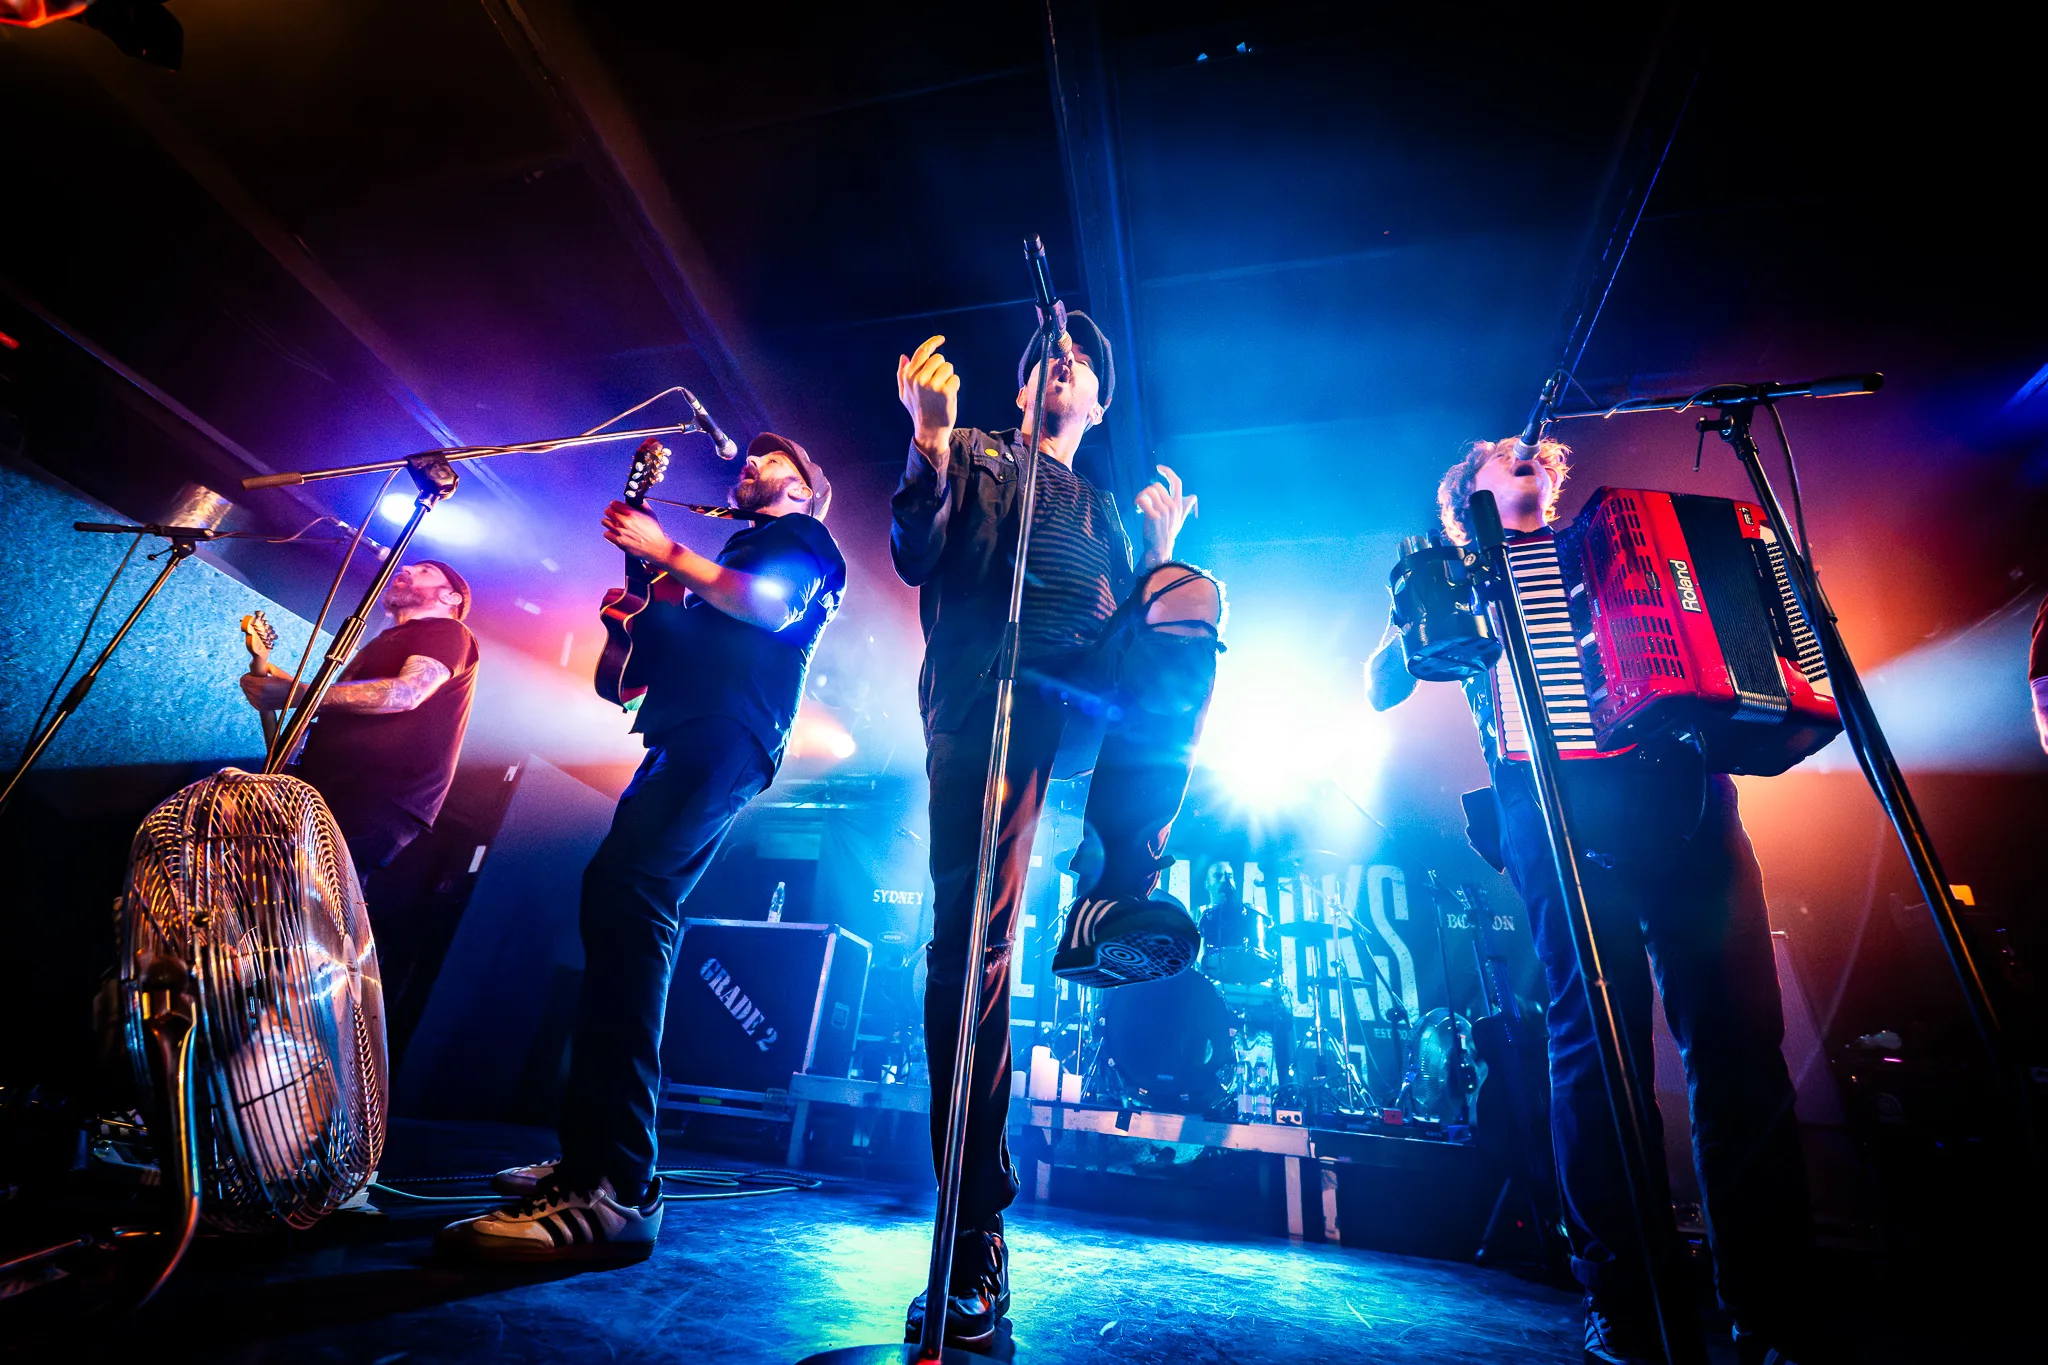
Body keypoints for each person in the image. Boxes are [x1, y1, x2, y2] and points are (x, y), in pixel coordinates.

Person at [1367, 437, 1817, 1365]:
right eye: (1495, 454)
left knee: (1740, 1039)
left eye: (1526, 448)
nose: (1519, 450)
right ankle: (1626, 1296)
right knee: (1596, 1046)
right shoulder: (1463, 576)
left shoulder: (1616, 541)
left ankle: (1773, 1306)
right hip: (1555, 808)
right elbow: (1381, 685)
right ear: (1464, 499)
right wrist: (1418, 603)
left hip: (1686, 797)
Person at [890, 326, 1224, 1347]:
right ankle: (973, 1230)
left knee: (1188, 592)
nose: (1061, 357)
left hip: (1082, 687)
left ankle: (1119, 881)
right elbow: (917, 552)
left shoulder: (1107, 511)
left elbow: (1145, 629)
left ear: (1098, 403)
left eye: (1078, 356)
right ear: (1025, 385)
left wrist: (1157, 557)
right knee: (972, 951)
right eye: (1045, 351)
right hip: (989, 695)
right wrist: (931, 442)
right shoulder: (979, 452)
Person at [439, 433, 845, 1262]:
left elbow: (770, 606)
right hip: (683, 735)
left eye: (774, 461)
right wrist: (638, 604)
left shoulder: (803, 541)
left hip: (727, 736)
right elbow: (636, 671)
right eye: (751, 458)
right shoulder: (727, 559)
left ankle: (616, 1181)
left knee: (632, 899)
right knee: (615, 901)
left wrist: (665, 551)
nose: (752, 464)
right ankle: (593, 1154)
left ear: (806, 490)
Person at [240, 558, 479, 876]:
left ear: (451, 597)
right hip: (324, 784)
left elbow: (407, 693)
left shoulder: (449, 631)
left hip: (379, 794)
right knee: (269, 879)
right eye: (409, 567)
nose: (406, 570)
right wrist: (281, 688)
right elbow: (333, 704)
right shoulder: (383, 642)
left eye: (425, 571)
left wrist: (300, 695)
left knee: (313, 889)